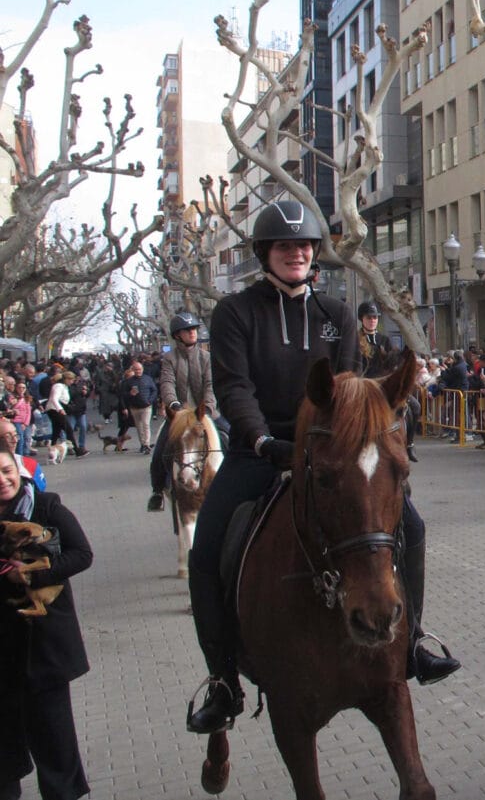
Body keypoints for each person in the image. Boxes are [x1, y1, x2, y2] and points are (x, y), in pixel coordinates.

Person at [184, 200, 458, 736]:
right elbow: (234, 387)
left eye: (305, 246)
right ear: (266, 253)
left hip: (331, 451)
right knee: (206, 549)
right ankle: (222, 680)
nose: (298, 253)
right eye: (287, 247)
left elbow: (351, 389)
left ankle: (415, 643)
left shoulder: (336, 313)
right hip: (259, 450)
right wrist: (261, 438)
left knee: (413, 526)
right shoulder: (236, 312)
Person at [0, 447, 93, 800]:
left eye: (7, 470)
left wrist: (33, 578)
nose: (2, 480)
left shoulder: (46, 506)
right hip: (2, 651)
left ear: (18, 469)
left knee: (55, 746)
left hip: (43, 650)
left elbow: (82, 554)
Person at [147, 312, 226, 513]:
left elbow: (211, 384)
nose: (192, 333)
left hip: (205, 414)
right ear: (177, 335)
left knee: (232, 437)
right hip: (180, 416)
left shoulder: (207, 357)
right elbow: (167, 383)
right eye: (187, 330)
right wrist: (172, 404)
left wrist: (207, 407)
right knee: (160, 451)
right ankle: (157, 491)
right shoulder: (169, 359)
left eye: (194, 329)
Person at [357, 301, 419, 462]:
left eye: (375, 317)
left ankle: (410, 444)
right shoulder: (355, 339)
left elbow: (392, 362)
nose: (372, 320)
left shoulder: (384, 339)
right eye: (369, 317)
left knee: (414, 406)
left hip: (384, 384)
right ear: (361, 319)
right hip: (364, 383)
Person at [119, 361, 158, 454]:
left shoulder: (148, 379)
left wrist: (150, 400)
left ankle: (147, 444)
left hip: (146, 406)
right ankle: (142, 444)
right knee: (139, 427)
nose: (138, 371)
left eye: (139, 369)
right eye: (136, 369)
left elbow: (154, 390)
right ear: (133, 370)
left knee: (146, 425)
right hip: (135, 407)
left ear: (142, 369)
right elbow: (123, 395)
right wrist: (130, 394)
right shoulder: (129, 381)